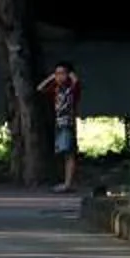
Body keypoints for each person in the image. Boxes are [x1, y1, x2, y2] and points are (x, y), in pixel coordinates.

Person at [35, 60, 82, 192]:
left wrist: (71, 75)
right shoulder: (56, 89)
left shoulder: (71, 89)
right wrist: (52, 77)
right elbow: (40, 88)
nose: (59, 76)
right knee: (62, 152)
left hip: (68, 123)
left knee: (69, 152)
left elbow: (77, 83)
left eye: (62, 73)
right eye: (57, 73)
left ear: (69, 75)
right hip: (58, 123)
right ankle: (65, 182)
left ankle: (68, 183)